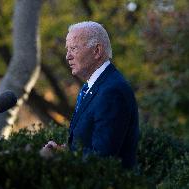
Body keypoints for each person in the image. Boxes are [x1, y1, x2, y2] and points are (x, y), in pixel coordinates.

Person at [43, 21, 139, 169]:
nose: (68, 56)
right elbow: (86, 144)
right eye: (67, 49)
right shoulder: (93, 86)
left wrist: (64, 154)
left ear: (97, 51)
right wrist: (62, 150)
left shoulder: (112, 91)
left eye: (73, 48)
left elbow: (103, 157)